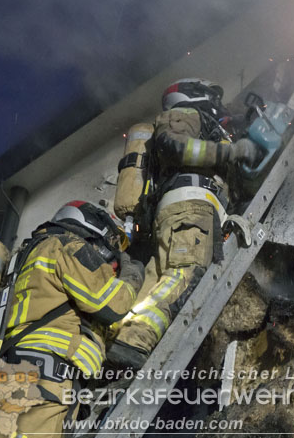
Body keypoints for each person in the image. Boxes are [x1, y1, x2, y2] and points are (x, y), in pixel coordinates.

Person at [107, 78, 259, 370]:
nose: (217, 104)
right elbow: (175, 147)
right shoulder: (185, 115)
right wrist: (232, 152)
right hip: (191, 208)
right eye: (211, 97)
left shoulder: (202, 124)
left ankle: (121, 339)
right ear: (194, 95)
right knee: (185, 274)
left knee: (154, 284)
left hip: (179, 212)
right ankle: (137, 339)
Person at [0, 201, 145, 438]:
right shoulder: (66, 246)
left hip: (21, 383)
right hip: (43, 383)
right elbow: (113, 303)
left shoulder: (24, 259)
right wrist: (133, 273)